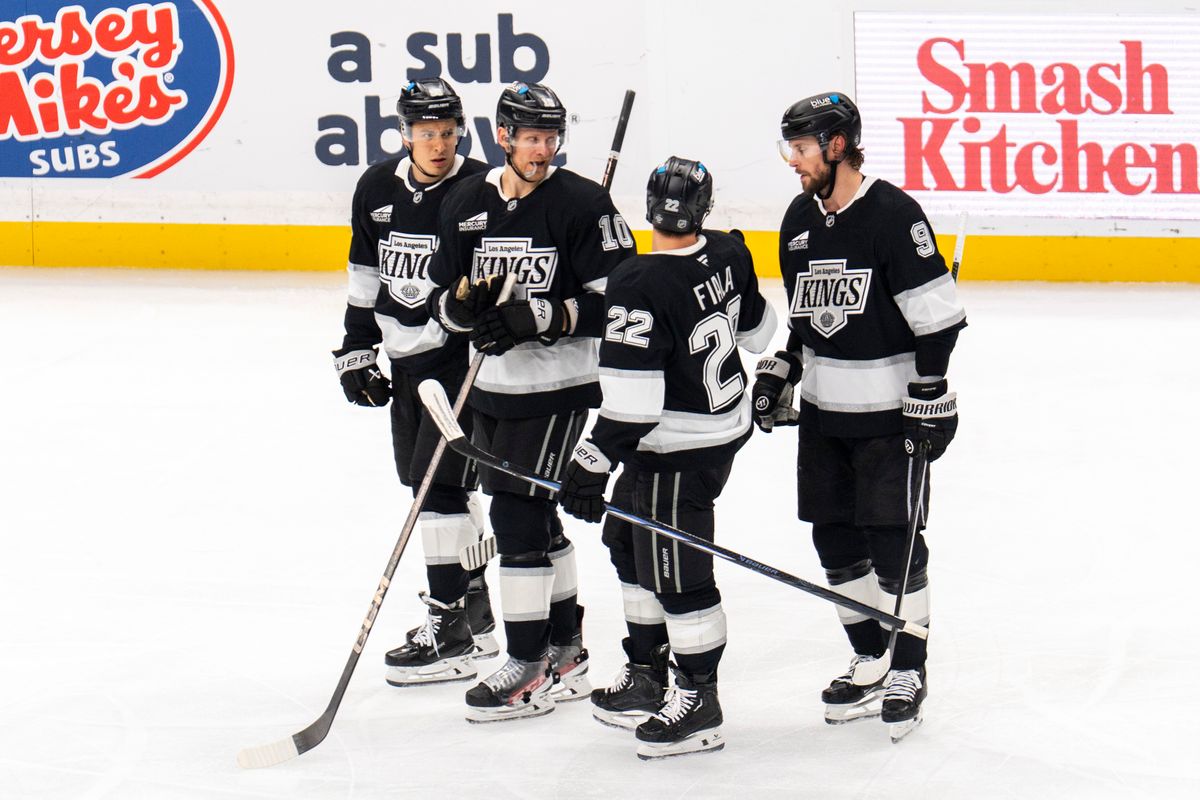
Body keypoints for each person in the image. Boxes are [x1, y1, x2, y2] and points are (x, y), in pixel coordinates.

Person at [754, 91, 966, 740]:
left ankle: (908, 668)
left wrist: (931, 389)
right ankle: (872, 656)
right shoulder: (798, 219)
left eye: (801, 148)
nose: (793, 161)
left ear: (838, 145)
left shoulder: (894, 216)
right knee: (835, 540)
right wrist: (784, 366)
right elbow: (806, 318)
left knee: (893, 542)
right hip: (825, 415)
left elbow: (938, 321)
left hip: (888, 417)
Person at [427, 81, 637, 722]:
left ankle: (527, 664)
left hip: (557, 386)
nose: (543, 150)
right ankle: (567, 652)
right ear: (503, 137)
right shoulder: (466, 201)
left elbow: (622, 303)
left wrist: (542, 316)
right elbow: (443, 298)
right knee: (539, 519)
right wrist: (462, 310)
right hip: (490, 388)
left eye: (551, 138)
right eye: (531, 138)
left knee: (516, 518)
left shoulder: (582, 203)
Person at [558, 157, 777, 759]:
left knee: (678, 574)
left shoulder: (635, 280)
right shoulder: (730, 251)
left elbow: (633, 404)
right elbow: (759, 334)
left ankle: (699, 701)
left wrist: (591, 461)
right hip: (712, 434)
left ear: (649, 205)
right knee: (628, 543)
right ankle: (647, 674)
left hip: (676, 448)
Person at [331, 78, 498, 688]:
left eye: (448, 132)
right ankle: (475, 614)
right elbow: (364, 270)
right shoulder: (377, 186)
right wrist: (356, 346)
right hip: (406, 362)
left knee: (438, 488)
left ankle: (449, 628)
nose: (438, 144)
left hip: (458, 361)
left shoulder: (480, 186)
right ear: (405, 134)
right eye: (426, 133)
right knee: (429, 487)